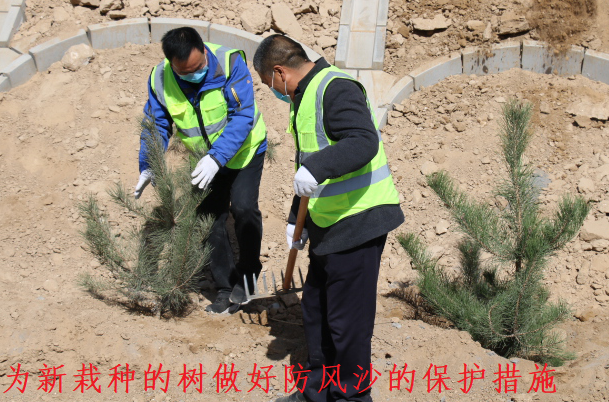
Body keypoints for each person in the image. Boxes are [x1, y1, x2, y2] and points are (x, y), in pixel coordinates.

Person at [253, 34, 405, 402]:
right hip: (329, 222)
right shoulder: (303, 96)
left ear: (279, 72)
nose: (271, 90)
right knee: (317, 310)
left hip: (358, 220)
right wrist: (298, 218)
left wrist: (318, 168)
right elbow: (309, 162)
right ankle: (317, 393)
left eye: (268, 83)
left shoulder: (335, 88)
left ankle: (352, 397)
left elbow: (362, 140)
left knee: (347, 323)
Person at [135, 27, 267, 314]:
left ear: (204, 51)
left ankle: (248, 275)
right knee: (209, 219)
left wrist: (217, 157)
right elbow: (157, 124)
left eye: (199, 67)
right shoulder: (160, 79)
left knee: (244, 208)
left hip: (245, 151)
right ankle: (225, 286)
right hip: (204, 159)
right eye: (185, 72)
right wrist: (149, 164)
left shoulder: (230, 63)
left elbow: (243, 115)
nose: (194, 74)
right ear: (172, 64)